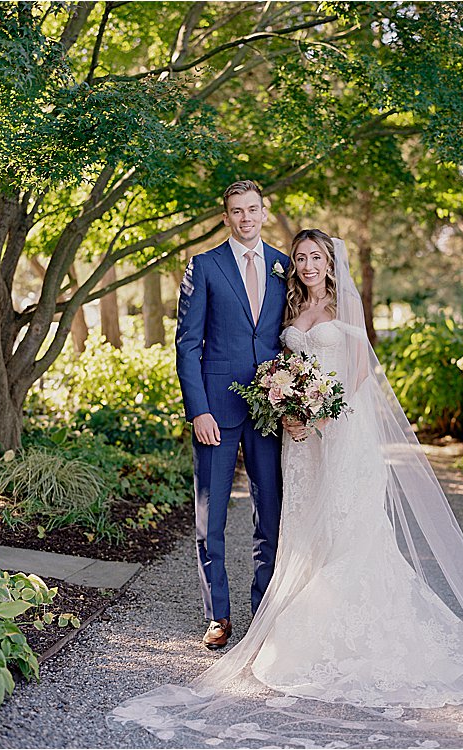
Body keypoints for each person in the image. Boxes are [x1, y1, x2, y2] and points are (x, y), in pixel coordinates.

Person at [112, 229, 463, 748]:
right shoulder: (289, 305)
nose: (308, 264)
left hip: (340, 433)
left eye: (316, 257)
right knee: (301, 525)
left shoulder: (344, 305)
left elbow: (359, 371)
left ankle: (345, 629)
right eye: (301, 258)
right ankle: (277, 613)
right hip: (298, 438)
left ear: (331, 262)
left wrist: (318, 417)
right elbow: (279, 363)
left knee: (349, 528)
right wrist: (290, 409)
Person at [175, 180, 290, 650]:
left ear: (265, 212)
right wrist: (198, 409)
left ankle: (264, 609)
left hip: (272, 408)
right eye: (236, 211)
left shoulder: (286, 266)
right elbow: (187, 345)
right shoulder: (203, 266)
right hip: (216, 412)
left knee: (272, 514)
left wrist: (298, 399)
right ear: (226, 216)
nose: (245, 217)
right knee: (211, 517)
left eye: (253, 209)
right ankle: (218, 615)